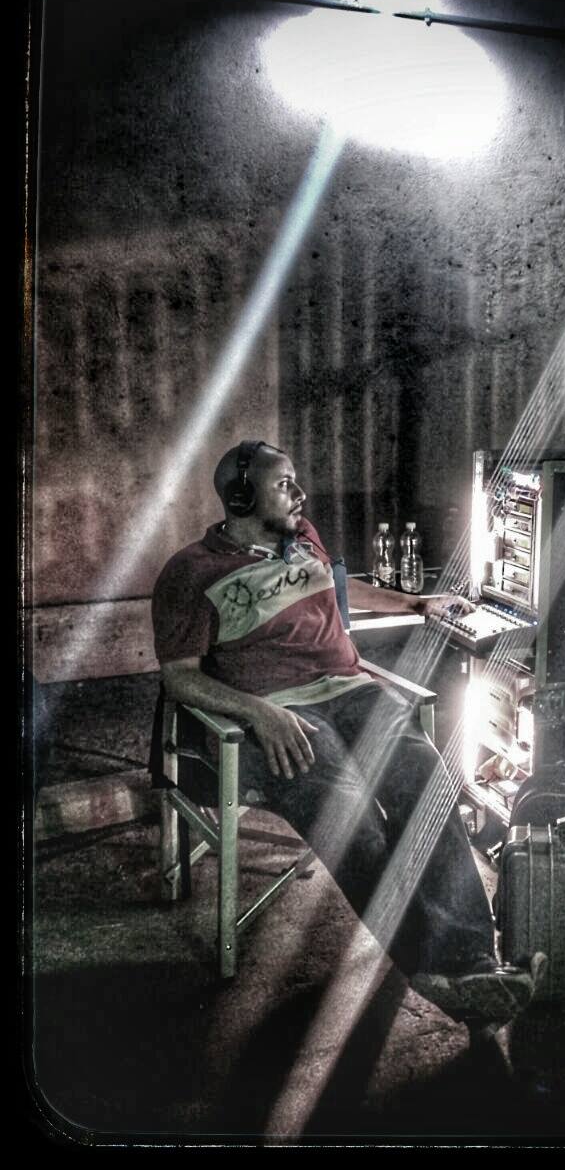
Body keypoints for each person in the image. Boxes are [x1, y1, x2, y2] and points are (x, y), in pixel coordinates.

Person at [151, 440, 544, 1027]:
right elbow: (179, 677)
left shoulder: (303, 537)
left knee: (427, 785)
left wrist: (418, 601)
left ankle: (474, 962)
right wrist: (258, 713)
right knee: (351, 816)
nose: (300, 493)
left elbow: (339, 590)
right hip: (278, 713)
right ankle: (433, 969)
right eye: (284, 484)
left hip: (351, 690)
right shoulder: (191, 573)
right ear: (242, 497)